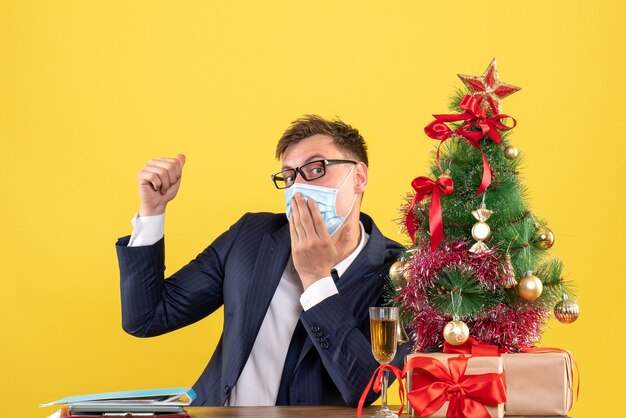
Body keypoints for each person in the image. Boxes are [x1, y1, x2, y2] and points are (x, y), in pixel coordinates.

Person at [115, 115, 409, 407]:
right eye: (290, 176)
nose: (300, 186)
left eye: (316, 168)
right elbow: (147, 318)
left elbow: (367, 387)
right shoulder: (251, 237)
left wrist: (316, 279)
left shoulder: (401, 273)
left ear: (358, 178)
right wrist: (152, 212)